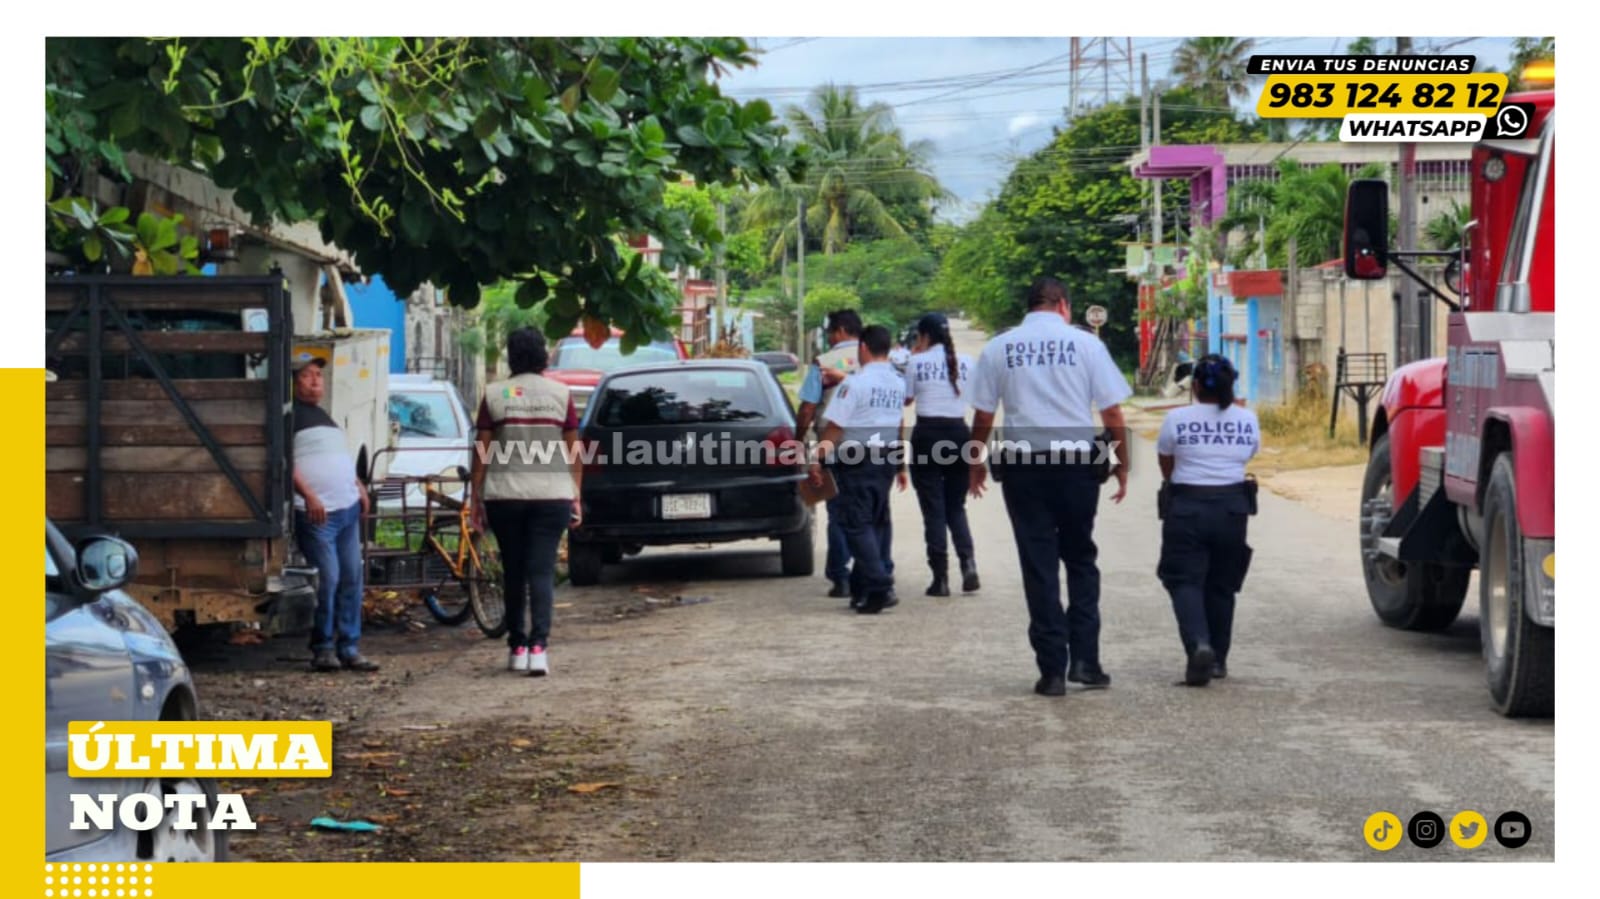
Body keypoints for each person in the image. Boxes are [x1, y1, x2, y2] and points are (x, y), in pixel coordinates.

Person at [968, 277, 1132, 697]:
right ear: (1062, 304)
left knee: (1038, 564)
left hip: (1024, 469)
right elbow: (1113, 413)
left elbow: (983, 416)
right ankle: (1086, 662)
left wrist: (974, 462)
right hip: (1076, 466)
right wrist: (1121, 462)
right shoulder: (1087, 345)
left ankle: (1052, 671)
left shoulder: (999, 347)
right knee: (1080, 559)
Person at [469, 328, 582, 677]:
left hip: (505, 496)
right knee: (542, 571)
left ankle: (517, 646)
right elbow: (574, 450)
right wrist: (576, 494)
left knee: (514, 571)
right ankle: (539, 648)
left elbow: (483, 450)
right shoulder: (561, 394)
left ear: (512, 355)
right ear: (543, 355)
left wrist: (475, 497)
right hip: (552, 495)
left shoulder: (496, 394)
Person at [1156, 354, 1260, 686]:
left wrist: (1176, 483)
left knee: (1183, 580)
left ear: (1196, 385)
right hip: (1233, 508)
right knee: (1222, 585)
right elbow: (1248, 455)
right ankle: (1218, 660)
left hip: (1187, 506)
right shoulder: (1247, 419)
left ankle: (1199, 644)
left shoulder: (1177, 418)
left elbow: (1166, 460)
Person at [808, 325, 909, 614]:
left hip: (856, 460)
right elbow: (899, 424)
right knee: (875, 521)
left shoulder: (854, 384)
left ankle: (880, 583)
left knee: (856, 524)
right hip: (885, 458)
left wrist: (816, 459)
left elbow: (834, 428)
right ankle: (864, 590)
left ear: (863, 348)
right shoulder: (897, 384)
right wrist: (899, 463)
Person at [291, 354, 378, 672]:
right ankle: (323, 647)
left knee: (352, 578)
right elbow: (284, 464)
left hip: (347, 510)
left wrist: (359, 486)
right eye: (307, 375)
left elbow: (339, 458)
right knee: (328, 579)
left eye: (318, 375)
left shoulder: (326, 417)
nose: (316, 381)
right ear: (292, 383)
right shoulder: (288, 416)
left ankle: (349, 647)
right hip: (318, 515)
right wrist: (309, 495)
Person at [902, 312, 980, 596]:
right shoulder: (967, 362)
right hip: (958, 434)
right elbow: (974, 397)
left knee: (933, 509)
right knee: (955, 506)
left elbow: (906, 399)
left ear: (923, 336)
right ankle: (968, 564)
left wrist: (915, 356)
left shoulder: (915, 362)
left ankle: (941, 579)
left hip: (927, 435)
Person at [796, 310, 866, 598]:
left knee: (838, 512)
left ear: (840, 331)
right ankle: (868, 570)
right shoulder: (872, 360)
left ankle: (841, 577)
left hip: (832, 445)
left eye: (830, 334)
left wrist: (799, 439)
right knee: (867, 511)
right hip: (869, 446)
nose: (829, 339)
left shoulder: (824, 363)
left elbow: (808, 408)